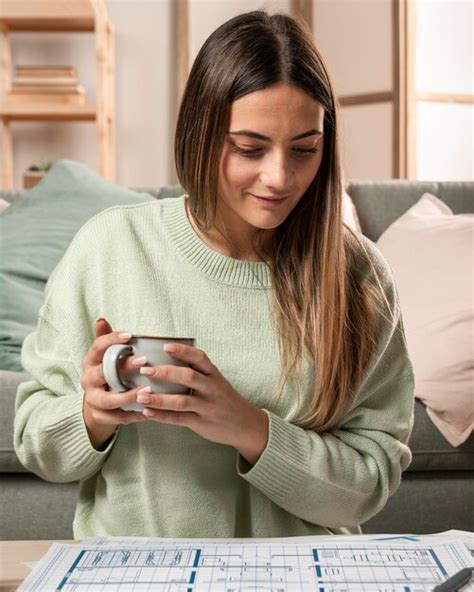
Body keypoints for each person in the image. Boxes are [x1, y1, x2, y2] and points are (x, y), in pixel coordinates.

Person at [14, 10, 414, 539]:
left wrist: (249, 428)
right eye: (249, 148)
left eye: (304, 150)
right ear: (200, 135)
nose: (279, 178)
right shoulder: (111, 246)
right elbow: (36, 444)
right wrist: (91, 415)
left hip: (298, 575)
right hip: (143, 575)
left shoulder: (357, 273)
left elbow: (369, 484)